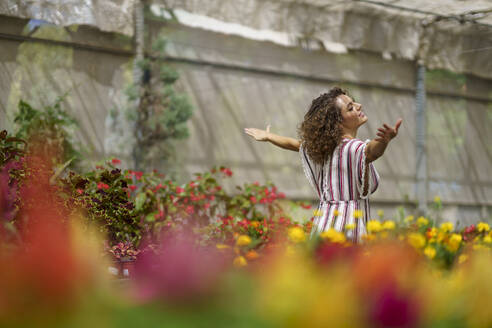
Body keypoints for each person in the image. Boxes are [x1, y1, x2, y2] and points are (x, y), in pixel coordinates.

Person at [244, 87, 402, 243]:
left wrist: (269, 136)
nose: (359, 105)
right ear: (338, 122)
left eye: (354, 103)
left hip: (324, 225)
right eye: (350, 107)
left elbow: (293, 144)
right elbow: (371, 152)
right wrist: (384, 141)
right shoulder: (353, 148)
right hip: (347, 230)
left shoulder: (324, 147)